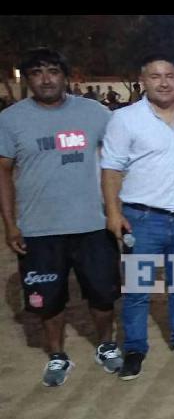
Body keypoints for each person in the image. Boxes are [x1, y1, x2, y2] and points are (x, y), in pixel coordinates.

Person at [0, 48, 121, 386]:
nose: (46, 78)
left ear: (65, 76)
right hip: (39, 229)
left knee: (102, 293)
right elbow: (3, 173)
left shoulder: (96, 113)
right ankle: (56, 355)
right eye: (37, 72)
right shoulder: (10, 120)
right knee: (48, 299)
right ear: (27, 78)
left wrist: (116, 209)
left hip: (93, 224)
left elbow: (118, 161)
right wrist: (10, 224)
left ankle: (107, 345)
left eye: (53, 71)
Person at [100, 53, 174, 381]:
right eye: (155, 76)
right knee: (138, 288)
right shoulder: (125, 119)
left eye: (170, 76)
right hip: (143, 220)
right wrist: (113, 213)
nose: (164, 82)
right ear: (142, 81)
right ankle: (134, 348)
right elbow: (111, 169)